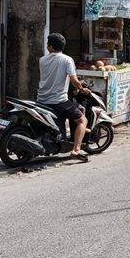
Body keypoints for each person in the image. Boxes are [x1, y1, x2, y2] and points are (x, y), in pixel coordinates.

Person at [37, 33, 91, 162]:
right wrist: (82, 89)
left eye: (47, 44)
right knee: (83, 120)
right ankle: (76, 149)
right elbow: (74, 80)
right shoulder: (67, 60)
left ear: (50, 46)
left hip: (41, 100)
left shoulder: (42, 60)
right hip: (58, 101)